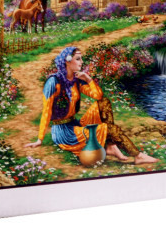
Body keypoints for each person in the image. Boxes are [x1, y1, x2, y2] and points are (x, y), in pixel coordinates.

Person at [25, 46, 158, 164]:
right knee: (108, 128)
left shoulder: (76, 80)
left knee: (104, 102)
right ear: (67, 61)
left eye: (81, 59)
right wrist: (40, 139)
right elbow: (46, 111)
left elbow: (98, 96)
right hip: (64, 132)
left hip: (74, 123)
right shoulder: (54, 82)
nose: (82, 62)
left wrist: (88, 79)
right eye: (78, 59)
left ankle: (111, 146)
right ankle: (138, 156)